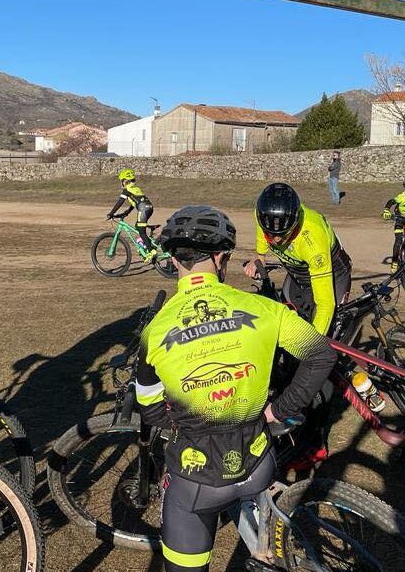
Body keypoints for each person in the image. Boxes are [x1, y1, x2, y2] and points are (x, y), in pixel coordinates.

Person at [136, 205, 336, 572]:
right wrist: (277, 410)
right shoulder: (264, 309)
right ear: (220, 256)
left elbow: (150, 412)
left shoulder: (153, 332)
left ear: (175, 261)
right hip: (260, 462)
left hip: (195, 480)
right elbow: (321, 357)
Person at [244, 183, 351, 468]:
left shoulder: (311, 235)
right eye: (271, 234)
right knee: (283, 337)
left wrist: (311, 350)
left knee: (322, 365)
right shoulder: (262, 215)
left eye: (283, 235)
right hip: (296, 275)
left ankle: (315, 443)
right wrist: (257, 263)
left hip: (331, 275)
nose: (276, 240)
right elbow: (261, 252)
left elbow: (325, 303)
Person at [107, 168, 157, 262]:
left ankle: (151, 251)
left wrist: (111, 213)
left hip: (143, 210)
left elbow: (120, 202)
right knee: (138, 227)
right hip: (149, 208)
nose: (121, 183)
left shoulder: (127, 190)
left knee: (141, 231)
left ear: (125, 181)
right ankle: (147, 245)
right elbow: (136, 201)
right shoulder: (136, 188)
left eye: (121, 181)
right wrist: (128, 211)